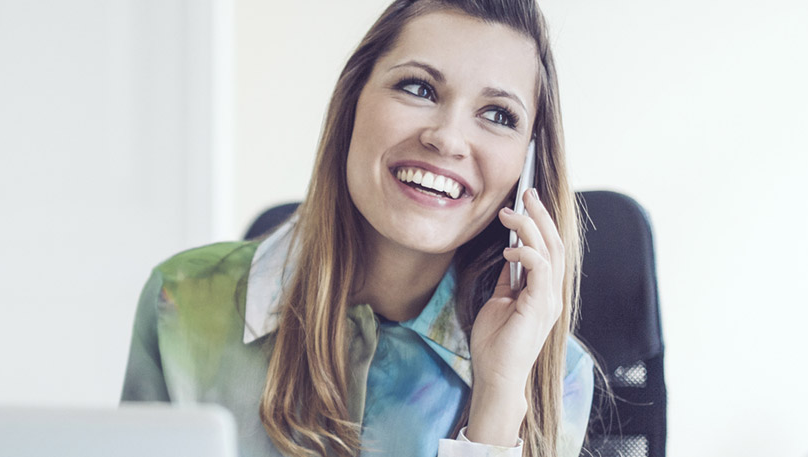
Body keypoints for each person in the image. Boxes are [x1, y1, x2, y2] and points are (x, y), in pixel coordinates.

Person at [120, 1, 593, 456]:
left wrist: (498, 400)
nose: (447, 139)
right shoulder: (182, 303)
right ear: (353, 102)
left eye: (497, 115)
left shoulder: (553, 374)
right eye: (418, 88)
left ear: (526, 165)